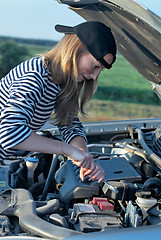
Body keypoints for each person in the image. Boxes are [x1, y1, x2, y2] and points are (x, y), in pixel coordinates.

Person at [0, 21, 117, 182]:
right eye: (95, 66)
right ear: (76, 50)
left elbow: (70, 125)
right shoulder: (35, 75)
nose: (95, 76)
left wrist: (85, 159)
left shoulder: (61, 82)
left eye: (100, 71)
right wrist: (66, 149)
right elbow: (10, 133)